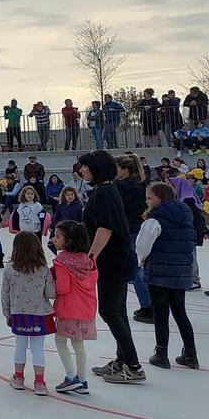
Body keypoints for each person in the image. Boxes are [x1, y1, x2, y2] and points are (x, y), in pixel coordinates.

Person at [78, 150, 144, 384]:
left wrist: (90, 257)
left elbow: (105, 229)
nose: (82, 170)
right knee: (118, 312)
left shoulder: (104, 192)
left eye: (85, 167)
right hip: (117, 259)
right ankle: (122, 360)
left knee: (109, 312)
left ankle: (133, 366)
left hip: (113, 261)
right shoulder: (105, 189)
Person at [137, 182, 199, 370]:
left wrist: (142, 261)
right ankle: (191, 354)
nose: (147, 202)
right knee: (180, 312)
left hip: (160, 272)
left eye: (150, 198)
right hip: (180, 272)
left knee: (162, 313)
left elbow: (142, 246)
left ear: (161, 198)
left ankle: (161, 353)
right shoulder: (185, 216)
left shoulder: (155, 220)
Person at [3, 231, 56, 396]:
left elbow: (5, 295)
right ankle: (39, 383)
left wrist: (7, 314)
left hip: (19, 314)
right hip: (40, 314)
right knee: (37, 347)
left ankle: (18, 378)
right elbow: (51, 294)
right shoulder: (43, 270)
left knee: (20, 345)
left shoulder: (9, 269)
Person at [50, 220, 98, 394]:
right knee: (78, 343)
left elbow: (62, 287)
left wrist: (50, 285)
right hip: (85, 309)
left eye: (57, 236)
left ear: (69, 240)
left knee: (60, 340)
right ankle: (82, 379)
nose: (54, 239)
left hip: (68, 308)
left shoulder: (62, 261)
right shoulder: (89, 261)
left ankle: (70, 377)